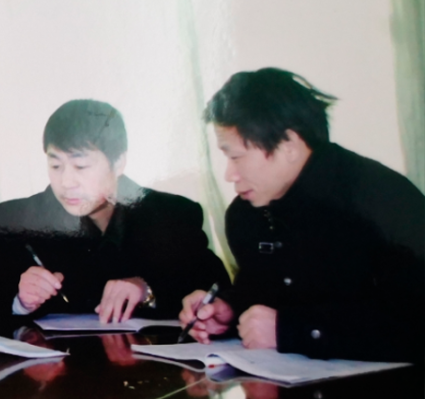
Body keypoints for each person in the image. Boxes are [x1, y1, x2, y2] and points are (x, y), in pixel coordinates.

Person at [180, 68, 425, 362]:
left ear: (289, 146)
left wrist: (291, 330)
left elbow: (414, 322)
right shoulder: (245, 215)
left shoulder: (383, 200)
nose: (230, 174)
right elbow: (268, 294)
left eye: (236, 157)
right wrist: (229, 312)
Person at [0, 99, 228, 324]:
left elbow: (216, 292)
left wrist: (147, 290)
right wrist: (20, 301)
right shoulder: (14, 221)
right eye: (56, 166)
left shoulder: (170, 215)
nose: (66, 182)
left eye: (81, 166)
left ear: (119, 163)